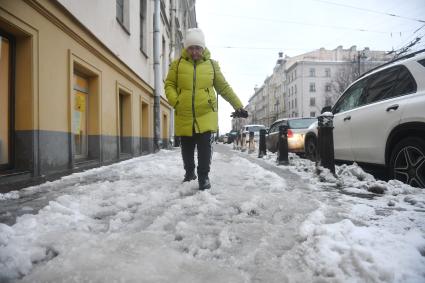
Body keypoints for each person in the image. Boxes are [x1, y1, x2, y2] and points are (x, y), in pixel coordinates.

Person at [164, 28, 247, 191]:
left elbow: (223, 87)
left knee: (204, 148)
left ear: (203, 48)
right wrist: (176, 101)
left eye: (198, 48)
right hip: (185, 113)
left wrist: (238, 105)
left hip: (206, 113)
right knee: (186, 148)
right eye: (191, 48)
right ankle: (189, 173)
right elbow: (169, 85)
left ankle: (203, 176)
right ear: (186, 48)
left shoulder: (211, 65)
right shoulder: (177, 64)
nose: (195, 52)